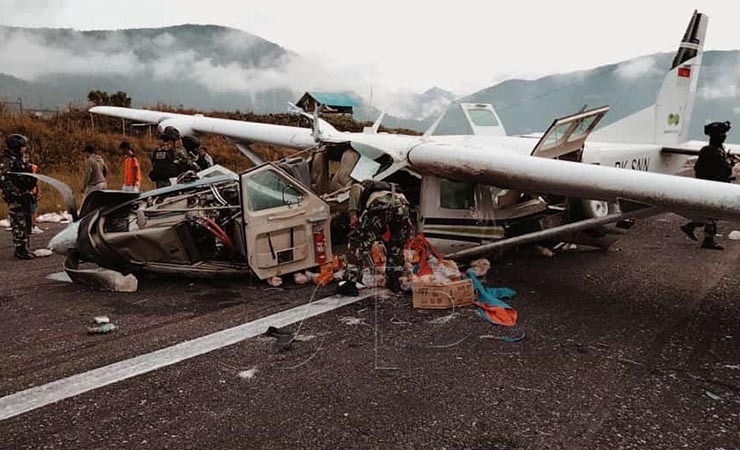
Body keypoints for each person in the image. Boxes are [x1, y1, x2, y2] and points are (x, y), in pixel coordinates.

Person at [340, 180, 415, 294]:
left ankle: (350, 284)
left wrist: (353, 217)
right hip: (403, 207)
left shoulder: (358, 185)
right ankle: (394, 281)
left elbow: (355, 217)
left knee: (358, 243)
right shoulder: (387, 186)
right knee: (396, 245)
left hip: (381, 205)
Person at [680, 121, 735, 250]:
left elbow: (698, 168)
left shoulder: (706, 150)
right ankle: (699, 233)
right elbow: (721, 172)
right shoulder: (717, 152)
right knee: (712, 214)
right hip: (714, 187)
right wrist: (728, 167)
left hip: (705, 185)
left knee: (710, 213)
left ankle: (701, 233)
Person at [0, 134, 37, 259]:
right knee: (18, 221)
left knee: (26, 221)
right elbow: (5, 180)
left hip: (25, 194)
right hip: (16, 197)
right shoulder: (7, 160)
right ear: (16, 147)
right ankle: (20, 249)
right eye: (22, 146)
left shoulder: (19, 159)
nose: (24, 149)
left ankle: (24, 247)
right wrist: (17, 193)